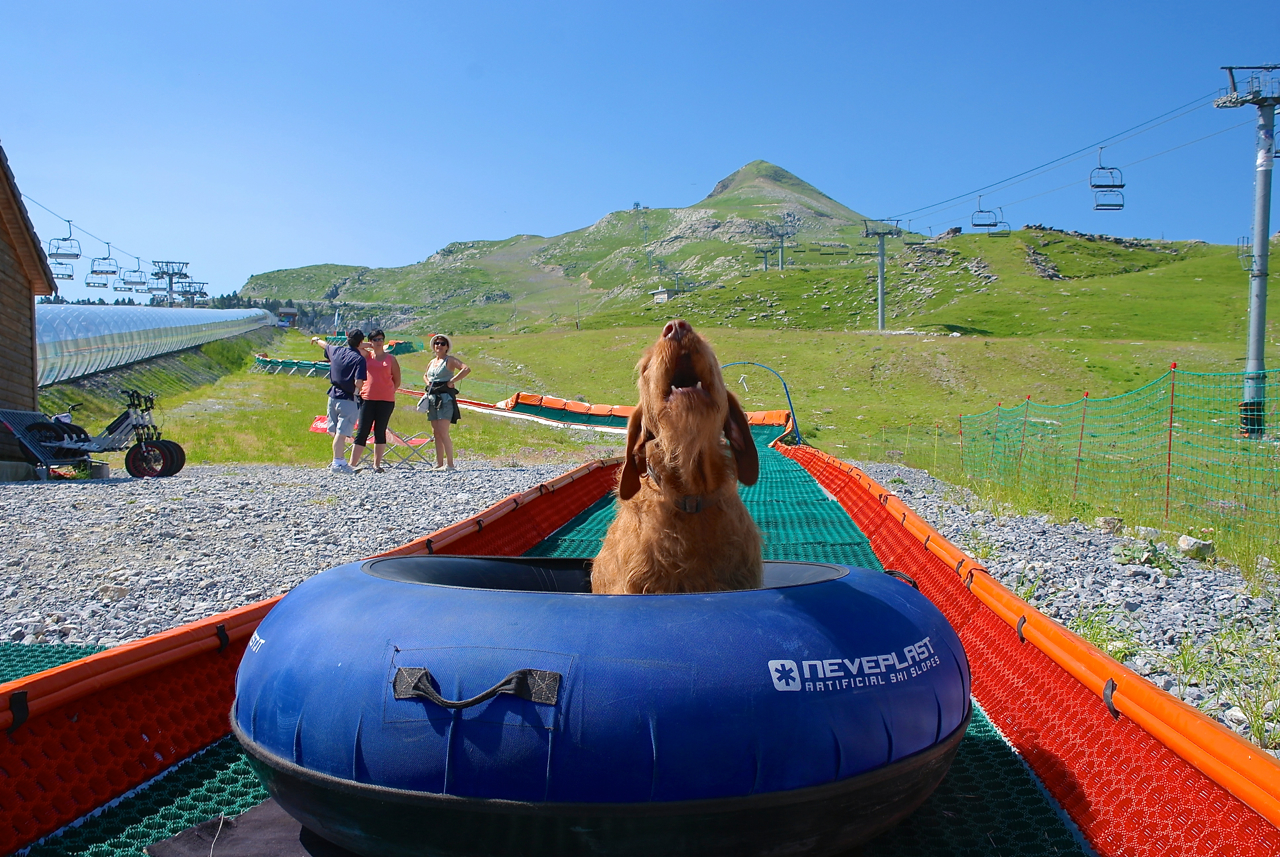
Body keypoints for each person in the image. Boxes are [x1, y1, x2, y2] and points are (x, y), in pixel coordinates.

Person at [311, 331, 366, 474]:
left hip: (333, 395)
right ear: (361, 342)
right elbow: (359, 382)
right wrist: (358, 390)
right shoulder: (359, 359)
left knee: (334, 431)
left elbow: (325, 345)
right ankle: (338, 462)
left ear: (347, 339)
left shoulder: (336, 351)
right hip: (348, 398)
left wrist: (316, 339)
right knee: (342, 433)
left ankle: (338, 460)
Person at [350, 330, 401, 473]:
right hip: (367, 398)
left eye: (381, 339)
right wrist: (369, 345)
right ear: (371, 341)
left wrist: (389, 390)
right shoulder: (367, 356)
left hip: (386, 400)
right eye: (376, 340)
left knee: (380, 431)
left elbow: (397, 379)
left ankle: (377, 464)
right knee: (362, 431)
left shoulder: (391, 359)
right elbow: (355, 347)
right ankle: (352, 464)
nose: (379, 342)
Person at [423, 334, 470, 470]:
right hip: (432, 397)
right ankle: (439, 463)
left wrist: (452, 381)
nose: (439, 345)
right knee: (436, 432)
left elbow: (466, 369)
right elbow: (425, 375)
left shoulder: (450, 360)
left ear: (447, 346)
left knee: (443, 431)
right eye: (437, 343)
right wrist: (428, 384)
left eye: (442, 343)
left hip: (445, 398)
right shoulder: (431, 362)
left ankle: (450, 464)